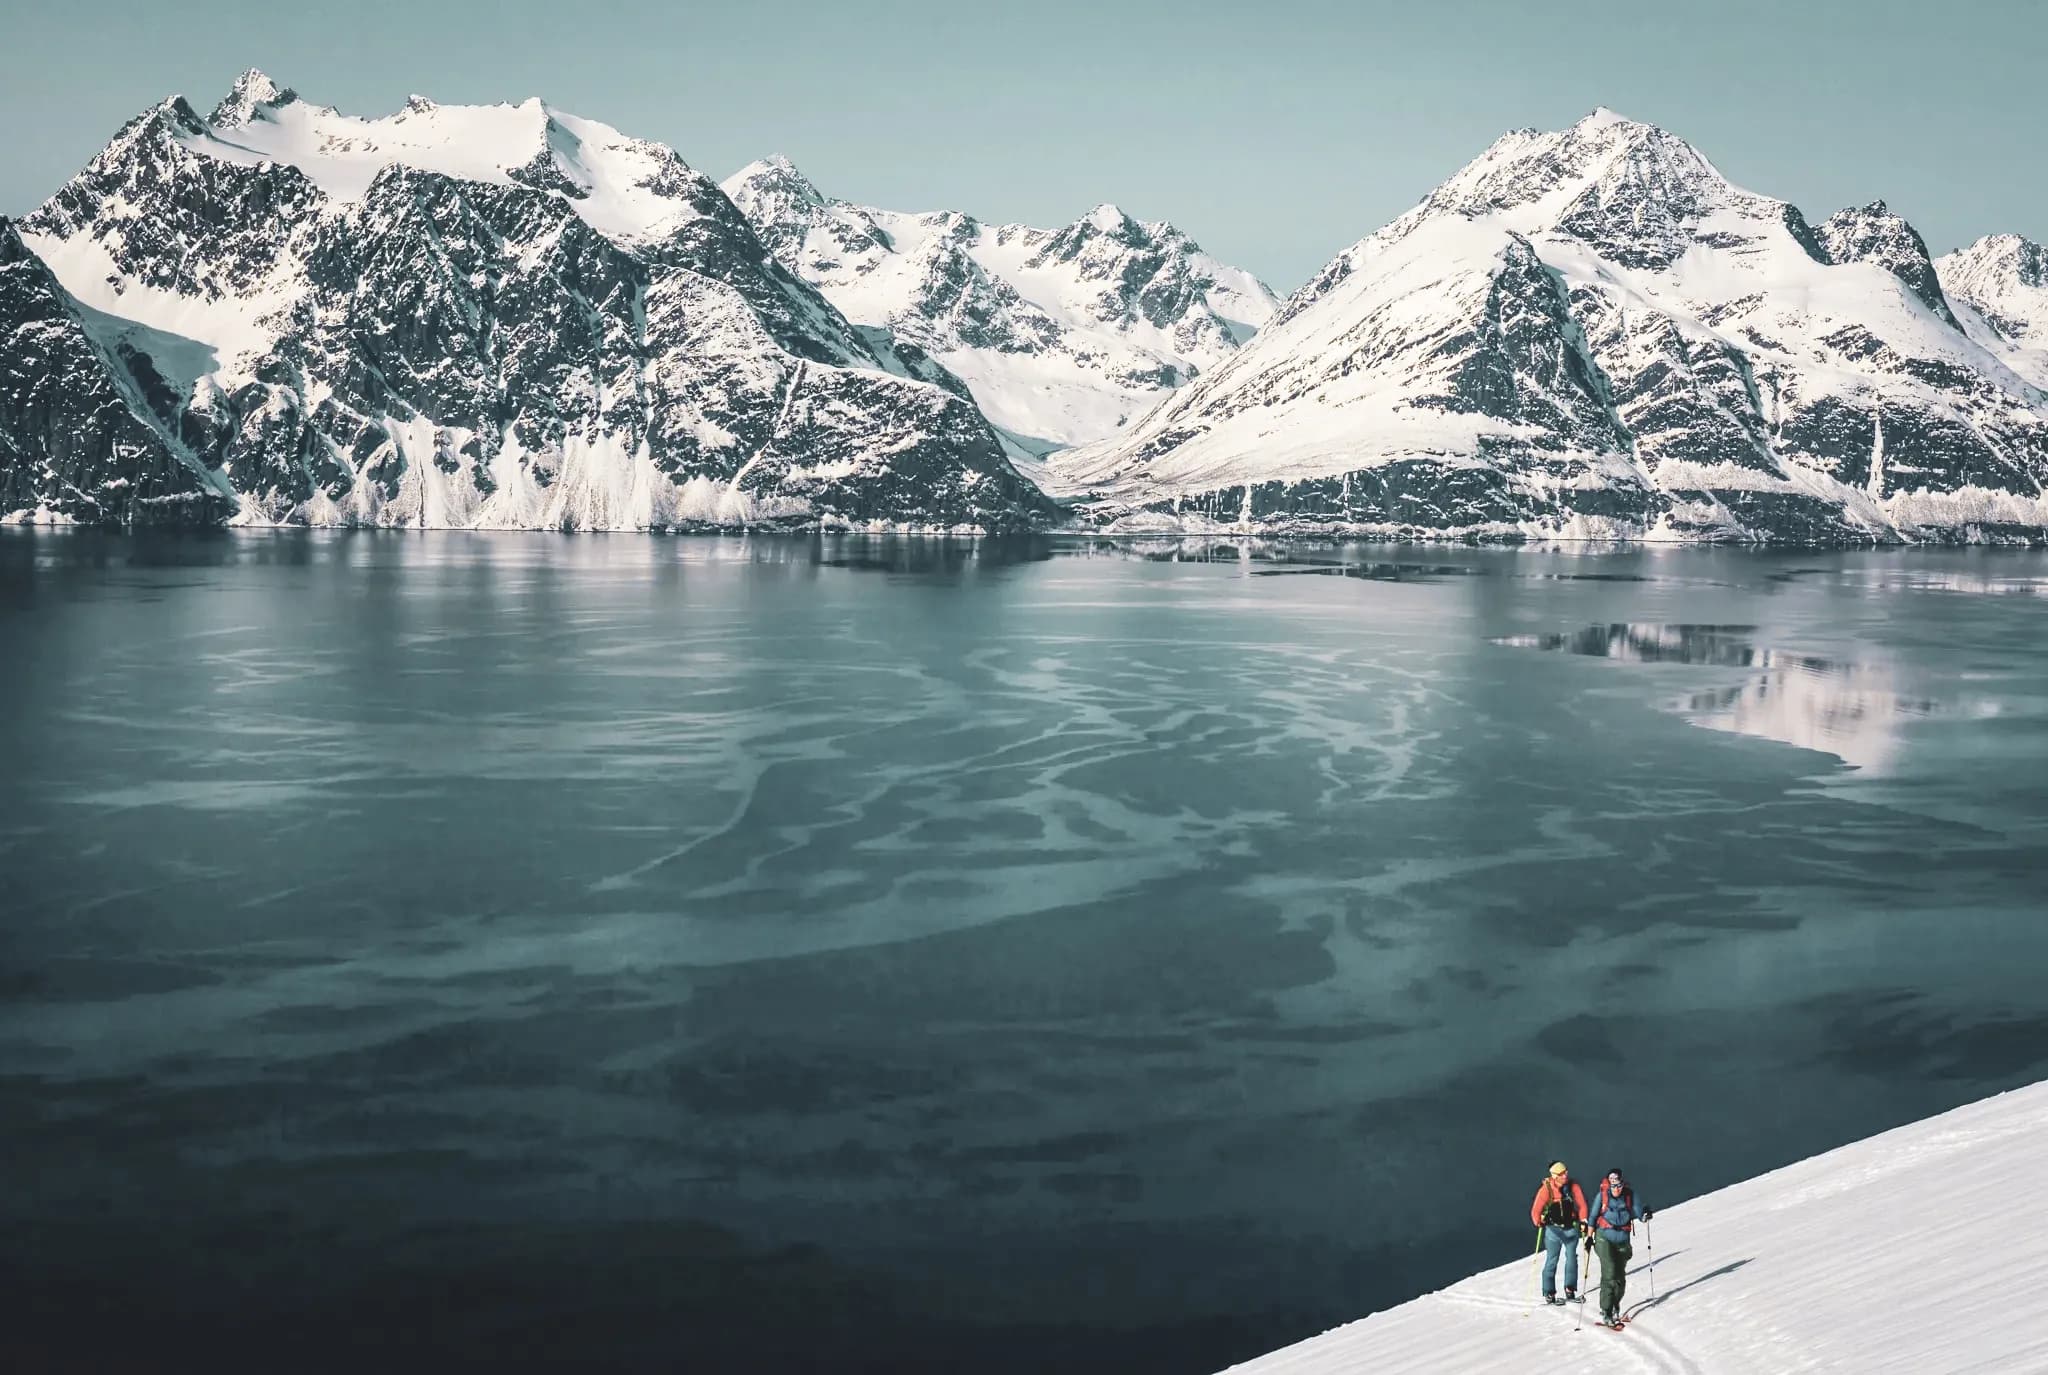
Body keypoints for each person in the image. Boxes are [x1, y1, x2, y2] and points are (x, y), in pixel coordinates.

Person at [1584, 1166, 1653, 1328]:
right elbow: (1593, 1217)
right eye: (1613, 1185)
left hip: (1622, 1240)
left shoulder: (1630, 1195)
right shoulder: (1602, 1196)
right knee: (1610, 1274)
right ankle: (1606, 1311)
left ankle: (1615, 1305)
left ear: (1622, 1183)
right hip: (1604, 1238)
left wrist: (1645, 1215)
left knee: (1620, 1278)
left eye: (1618, 1185)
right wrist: (1589, 1237)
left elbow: (1639, 1213)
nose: (1616, 1189)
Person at [1528, 1161, 1588, 1305]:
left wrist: (1583, 1220)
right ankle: (1549, 1293)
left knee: (1572, 1258)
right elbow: (1536, 1210)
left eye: (1566, 1171)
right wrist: (1538, 1221)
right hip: (1553, 1231)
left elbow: (1582, 1205)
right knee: (1552, 1260)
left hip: (1570, 1229)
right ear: (1554, 1176)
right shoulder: (1546, 1189)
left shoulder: (1573, 1186)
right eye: (1561, 1173)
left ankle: (1570, 1289)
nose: (1565, 1175)